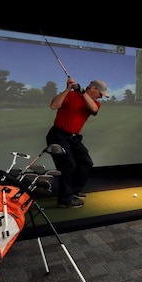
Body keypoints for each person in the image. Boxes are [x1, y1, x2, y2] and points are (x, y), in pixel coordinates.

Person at [46, 78, 109, 208]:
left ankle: (73, 191)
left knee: (86, 162)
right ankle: (65, 200)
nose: (101, 97)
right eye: (100, 93)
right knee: (68, 164)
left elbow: (93, 110)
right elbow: (54, 106)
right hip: (58, 135)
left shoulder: (95, 103)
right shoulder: (70, 95)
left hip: (73, 138)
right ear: (93, 88)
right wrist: (68, 89)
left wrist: (82, 92)